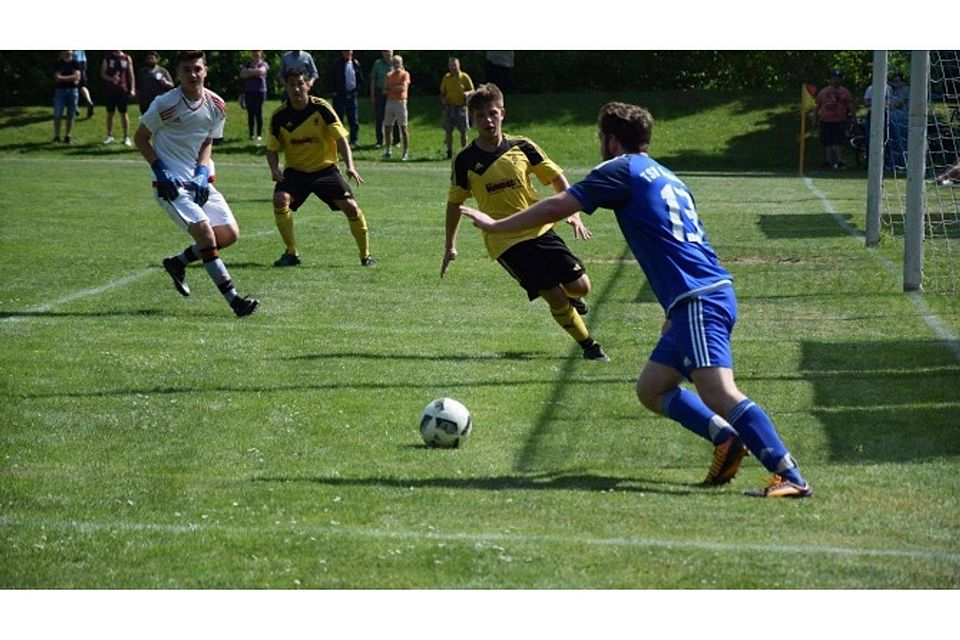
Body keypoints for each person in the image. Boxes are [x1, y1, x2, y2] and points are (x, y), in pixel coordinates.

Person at [461, 101, 813, 498]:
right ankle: (726, 440)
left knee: (718, 391)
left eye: (600, 138)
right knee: (652, 389)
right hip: (698, 296)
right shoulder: (668, 175)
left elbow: (561, 204)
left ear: (611, 140)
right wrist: (673, 310)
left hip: (698, 297)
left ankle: (789, 475)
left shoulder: (620, 169)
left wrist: (498, 223)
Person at [442, 83, 608, 362]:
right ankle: (590, 347)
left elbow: (556, 179)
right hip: (504, 242)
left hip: (539, 227)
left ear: (502, 113)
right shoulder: (464, 161)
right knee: (553, 295)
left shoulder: (523, 146)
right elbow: (454, 203)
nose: (488, 120)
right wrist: (450, 245)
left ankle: (573, 301)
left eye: (492, 113)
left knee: (581, 287)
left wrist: (573, 213)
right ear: (473, 119)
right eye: (481, 115)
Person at [134, 50, 259, 318]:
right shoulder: (164, 104)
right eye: (187, 69)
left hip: (197, 181)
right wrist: (160, 170)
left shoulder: (216, 104)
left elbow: (207, 139)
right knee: (204, 232)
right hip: (169, 184)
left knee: (229, 234)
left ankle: (177, 263)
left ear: (206, 70)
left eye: (197, 68)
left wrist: (202, 171)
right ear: (177, 74)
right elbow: (141, 138)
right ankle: (235, 300)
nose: (193, 74)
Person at [266, 68, 375, 269]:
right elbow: (272, 149)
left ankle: (365, 255)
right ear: (286, 87)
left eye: (300, 84)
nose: (297, 89)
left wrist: (350, 166)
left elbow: (341, 138)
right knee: (280, 199)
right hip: (296, 172)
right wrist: (274, 169)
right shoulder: (279, 116)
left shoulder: (322, 108)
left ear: (308, 84)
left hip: (325, 171)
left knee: (351, 207)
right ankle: (291, 253)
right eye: (292, 85)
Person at [814, 69, 853, 170]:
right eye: (834, 78)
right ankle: (828, 161)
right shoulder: (824, 91)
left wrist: (854, 118)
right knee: (827, 141)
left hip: (840, 120)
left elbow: (850, 106)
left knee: (838, 141)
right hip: (826, 120)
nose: (836, 80)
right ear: (831, 79)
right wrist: (815, 119)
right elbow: (817, 106)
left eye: (839, 78)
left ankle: (839, 161)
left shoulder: (845, 92)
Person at [440, 56, 474, 160]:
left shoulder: (465, 77)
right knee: (448, 131)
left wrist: (467, 93)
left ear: (459, 65)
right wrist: (443, 100)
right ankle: (449, 152)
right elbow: (442, 92)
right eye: (451, 65)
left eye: (455, 64)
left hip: (461, 108)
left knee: (463, 131)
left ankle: (465, 152)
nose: (453, 67)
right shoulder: (446, 78)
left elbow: (472, 90)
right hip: (449, 107)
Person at [101, 50, 136, 146]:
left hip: (122, 89)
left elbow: (131, 74)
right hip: (110, 89)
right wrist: (112, 79)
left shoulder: (126, 57)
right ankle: (109, 135)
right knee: (110, 113)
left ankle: (126, 137)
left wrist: (132, 88)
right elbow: (103, 73)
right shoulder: (108, 58)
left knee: (123, 113)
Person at [329, 50, 363, 147]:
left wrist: (358, 89)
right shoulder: (337, 64)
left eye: (349, 50)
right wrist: (334, 91)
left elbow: (359, 77)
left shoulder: (355, 63)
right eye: (345, 50)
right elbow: (331, 78)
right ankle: (339, 139)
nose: (347, 52)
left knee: (353, 119)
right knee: (339, 118)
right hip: (339, 95)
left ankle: (354, 139)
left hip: (352, 94)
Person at [382, 54, 411, 161]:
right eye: (394, 63)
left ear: (401, 63)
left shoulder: (405, 74)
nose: (396, 65)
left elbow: (402, 88)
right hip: (390, 102)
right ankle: (388, 150)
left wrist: (391, 88)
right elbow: (384, 90)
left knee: (403, 127)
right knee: (387, 127)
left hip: (400, 102)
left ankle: (405, 152)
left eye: (398, 62)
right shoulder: (389, 75)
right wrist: (394, 88)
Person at [52, 50, 81, 144]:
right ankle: (57, 136)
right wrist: (71, 77)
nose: (68, 52)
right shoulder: (58, 63)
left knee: (71, 115)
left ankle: (68, 136)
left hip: (73, 91)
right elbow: (57, 78)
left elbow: (77, 77)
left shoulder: (75, 63)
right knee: (57, 114)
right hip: (60, 91)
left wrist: (63, 78)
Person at [369, 50, 396, 148]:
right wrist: (372, 95)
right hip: (380, 93)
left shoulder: (396, 62)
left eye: (389, 51)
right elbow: (373, 80)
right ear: (382, 53)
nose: (387, 54)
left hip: (393, 94)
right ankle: (379, 141)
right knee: (379, 118)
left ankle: (396, 141)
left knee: (394, 118)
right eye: (385, 52)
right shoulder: (378, 64)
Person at [240, 50, 269, 140]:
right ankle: (251, 134)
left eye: (258, 52)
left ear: (261, 53)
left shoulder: (264, 63)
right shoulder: (248, 64)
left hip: (260, 91)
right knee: (250, 113)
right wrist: (254, 72)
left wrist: (249, 72)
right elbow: (242, 74)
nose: (256, 53)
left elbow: (261, 71)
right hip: (249, 91)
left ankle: (259, 134)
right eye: (254, 52)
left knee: (258, 112)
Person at [73, 49, 94, 119]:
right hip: (83, 61)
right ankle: (89, 100)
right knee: (82, 85)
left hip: (73, 59)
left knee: (72, 85)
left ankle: (75, 107)